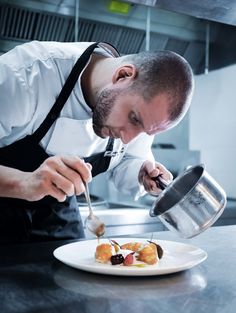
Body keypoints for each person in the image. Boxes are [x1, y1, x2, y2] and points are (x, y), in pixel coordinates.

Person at [0, 41, 194, 244]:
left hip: (58, 215)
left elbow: (128, 158)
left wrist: (141, 173)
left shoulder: (142, 108)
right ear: (122, 76)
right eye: (134, 119)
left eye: (143, 130)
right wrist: (25, 183)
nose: (128, 138)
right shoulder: (25, 74)